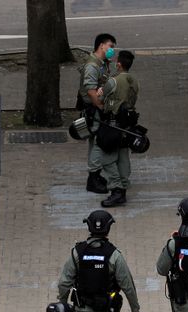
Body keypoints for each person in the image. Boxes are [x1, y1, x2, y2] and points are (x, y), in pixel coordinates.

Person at [98, 50, 140, 207]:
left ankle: (116, 189)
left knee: (107, 158)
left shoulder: (113, 81)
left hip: (113, 123)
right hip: (128, 125)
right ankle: (122, 190)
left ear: (119, 64)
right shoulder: (134, 81)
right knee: (123, 157)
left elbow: (101, 97)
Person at [78, 33, 116, 194]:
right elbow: (91, 92)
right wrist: (101, 107)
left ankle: (95, 175)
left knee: (96, 142)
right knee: (98, 143)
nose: (112, 50)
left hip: (96, 108)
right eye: (111, 46)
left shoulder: (101, 63)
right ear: (101, 45)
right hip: (94, 109)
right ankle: (93, 178)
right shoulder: (92, 66)